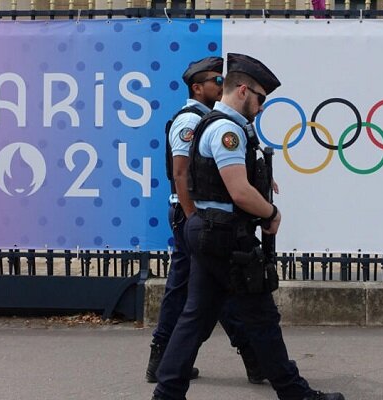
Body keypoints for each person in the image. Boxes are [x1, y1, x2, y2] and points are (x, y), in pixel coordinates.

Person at [151, 53, 345, 400]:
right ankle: (296, 393)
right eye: (260, 99)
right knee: (261, 317)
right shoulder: (228, 131)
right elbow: (240, 192)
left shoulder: (212, 123)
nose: (260, 107)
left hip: (210, 230)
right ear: (243, 90)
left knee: (194, 318)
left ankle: (167, 393)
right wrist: (272, 213)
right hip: (226, 235)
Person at [146, 56, 265, 385]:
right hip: (195, 217)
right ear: (198, 88)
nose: (219, 84)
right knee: (197, 291)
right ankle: (163, 358)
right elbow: (181, 173)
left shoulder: (215, 119)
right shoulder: (190, 121)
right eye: (215, 80)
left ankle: (167, 363)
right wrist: (192, 219)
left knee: (206, 293)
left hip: (203, 218)